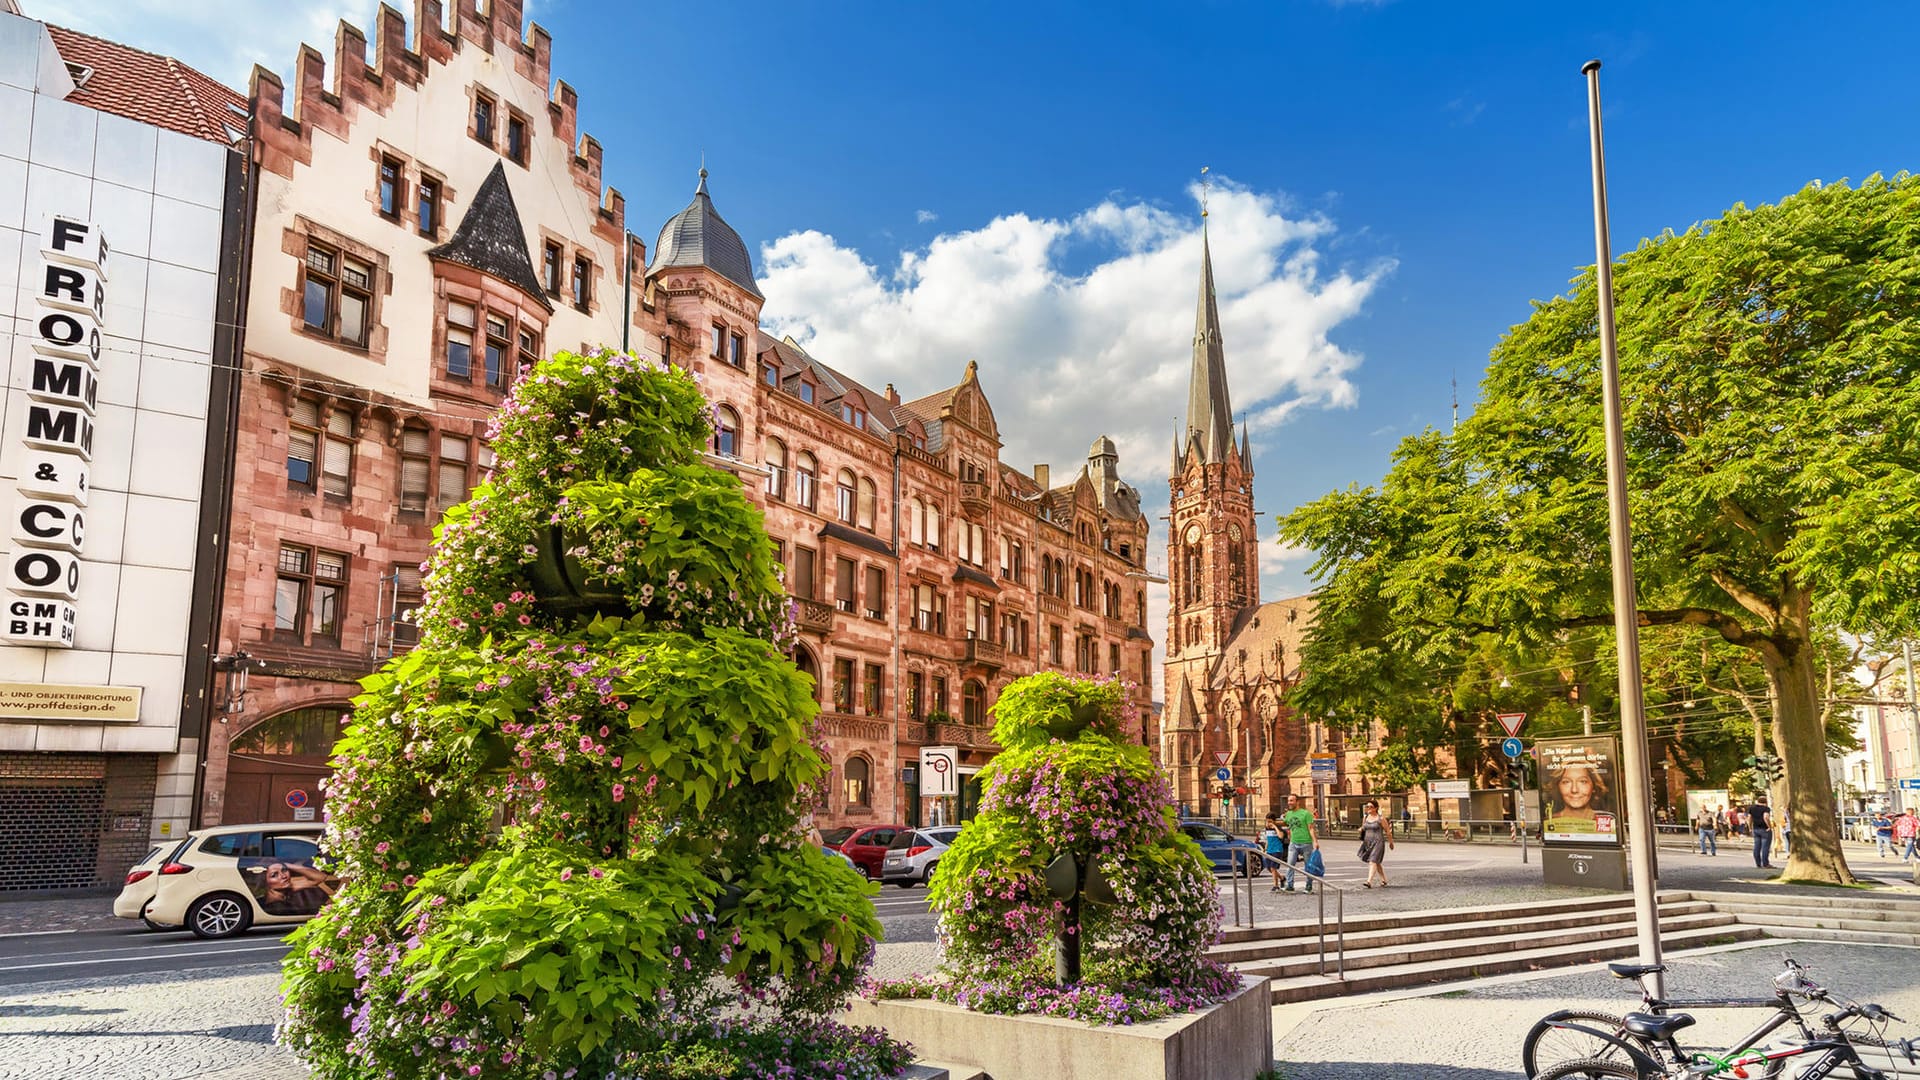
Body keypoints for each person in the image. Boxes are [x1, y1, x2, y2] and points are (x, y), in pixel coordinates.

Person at [1545, 761, 1613, 834]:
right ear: (1558, 787)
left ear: (1594, 786)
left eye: (1583, 781)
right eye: (1566, 782)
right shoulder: (1549, 821)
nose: (1574, 790)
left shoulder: (1608, 821)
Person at [251, 860, 338, 916]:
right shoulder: (275, 905)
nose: (283, 876)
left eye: (284, 870)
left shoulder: (287, 888)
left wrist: (285, 864)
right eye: (274, 875)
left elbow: (321, 877)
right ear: (265, 882)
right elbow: (320, 878)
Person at [1281, 793, 1318, 893]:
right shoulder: (1288, 814)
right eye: (1288, 801)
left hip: (1306, 843)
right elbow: (1287, 823)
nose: (1289, 803)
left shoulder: (1305, 814)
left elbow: (1311, 828)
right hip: (1293, 843)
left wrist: (1315, 841)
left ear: (1297, 802)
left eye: (1292, 800)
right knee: (1290, 864)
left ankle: (1309, 886)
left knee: (1308, 866)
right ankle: (1290, 885)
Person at [1358, 799, 1394, 888]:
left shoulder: (1380, 818)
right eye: (1367, 807)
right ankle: (1384, 879)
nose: (1368, 808)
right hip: (1368, 842)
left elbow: (1387, 831)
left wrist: (1391, 842)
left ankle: (1369, 881)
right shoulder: (1365, 817)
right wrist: (1360, 830)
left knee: (1373, 861)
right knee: (1376, 862)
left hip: (1378, 842)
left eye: (1371, 807)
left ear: (1376, 808)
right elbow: (1364, 828)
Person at [1747, 794, 1774, 869]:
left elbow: (1749, 818)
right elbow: (1765, 817)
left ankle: (1758, 863)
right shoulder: (1766, 808)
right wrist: (1769, 826)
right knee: (1765, 847)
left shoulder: (1751, 808)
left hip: (1755, 829)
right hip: (1764, 829)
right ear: (1765, 802)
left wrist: (1750, 827)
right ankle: (1765, 863)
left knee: (1757, 847)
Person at [1262, 814, 1286, 892]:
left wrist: (1275, 827)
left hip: (1277, 850)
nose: (1268, 823)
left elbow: (1281, 836)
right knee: (1268, 867)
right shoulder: (1267, 829)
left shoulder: (1278, 828)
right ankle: (1282, 878)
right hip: (1269, 850)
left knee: (1273, 868)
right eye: (1267, 821)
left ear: (1274, 821)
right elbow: (1268, 840)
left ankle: (1276, 885)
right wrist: (1265, 849)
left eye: (1270, 821)